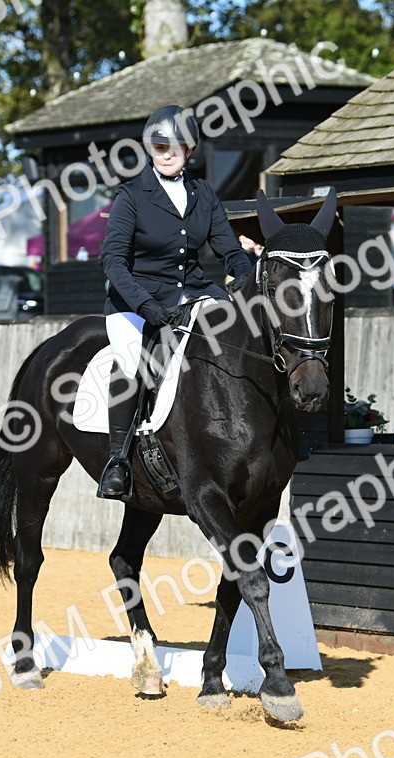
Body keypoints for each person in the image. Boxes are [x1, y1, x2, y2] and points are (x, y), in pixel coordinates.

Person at [96, 104, 254, 499]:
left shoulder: (203, 194)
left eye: (175, 146)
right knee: (132, 359)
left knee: (242, 338)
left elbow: (228, 249)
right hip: (135, 302)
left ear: (190, 149)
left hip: (196, 294)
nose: (166, 153)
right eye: (159, 145)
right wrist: (144, 304)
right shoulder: (132, 195)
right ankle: (117, 460)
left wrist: (243, 270)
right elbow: (112, 260)